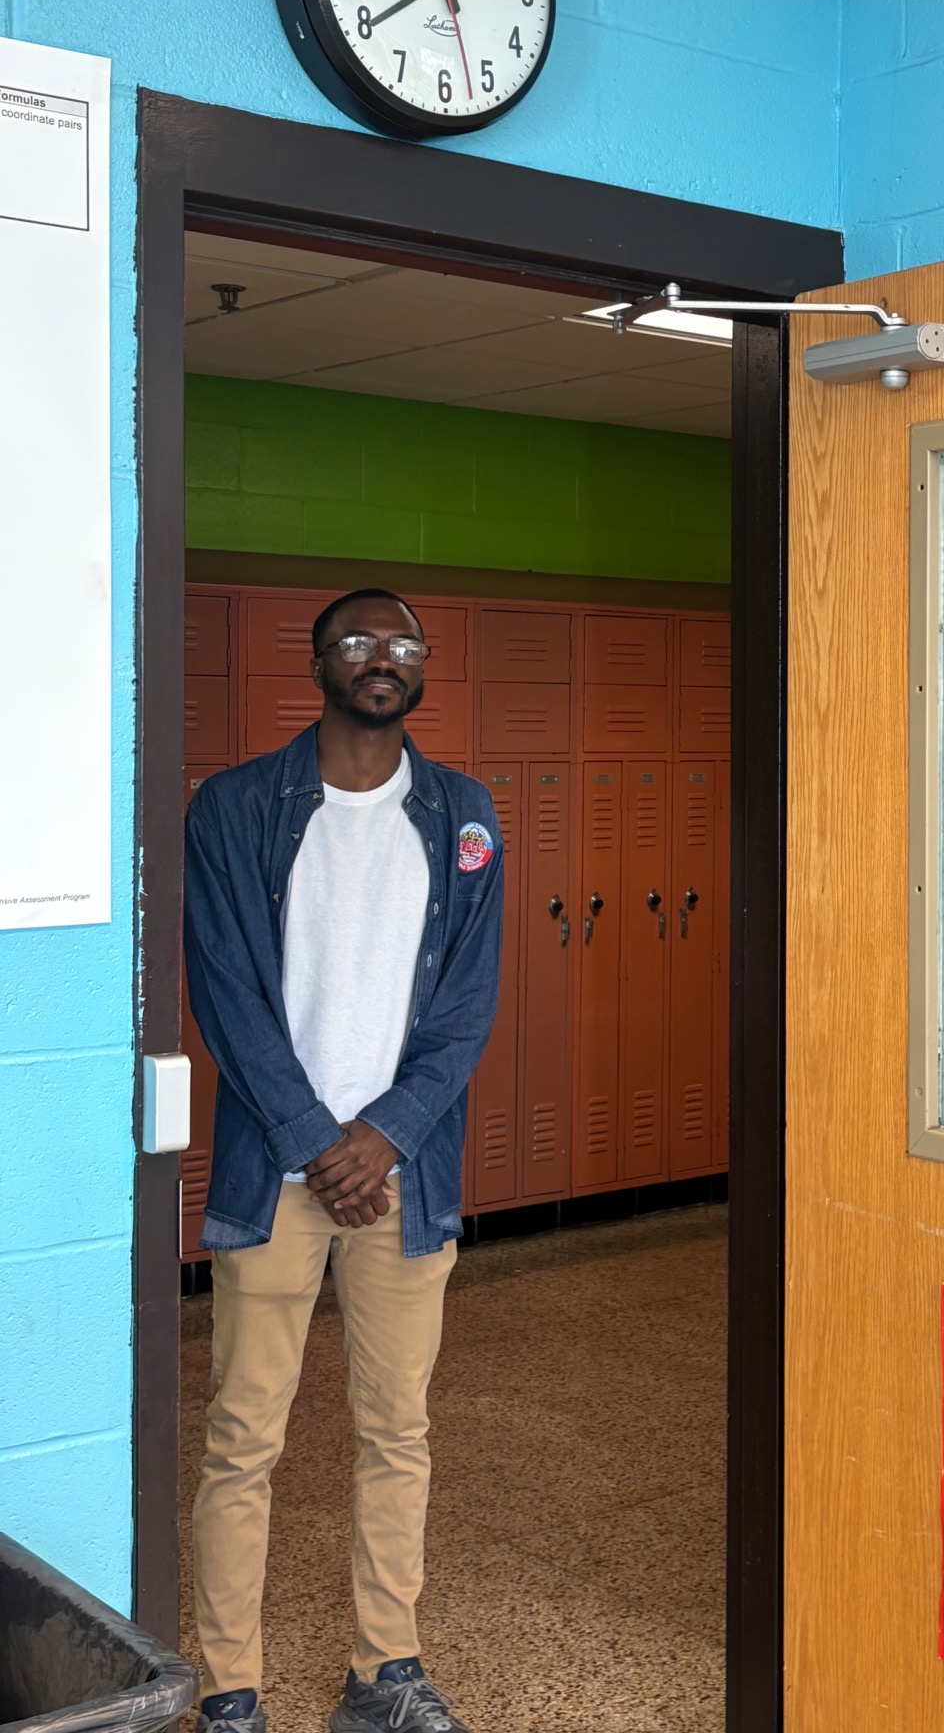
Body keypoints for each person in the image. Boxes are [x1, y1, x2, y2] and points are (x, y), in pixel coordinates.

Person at [183, 588, 504, 1733]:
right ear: (318, 660)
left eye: (403, 643)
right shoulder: (235, 807)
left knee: (397, 1432)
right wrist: (320, 1139)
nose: (383, 657)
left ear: (423, 666)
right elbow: (225, 991)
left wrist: (385, 1134)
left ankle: (386, 1672)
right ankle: (228, 1687)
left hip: (401, 1179)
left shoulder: (462, 814)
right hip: (277, 1174)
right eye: (360, 640)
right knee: (242, 1439)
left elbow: (467, 1006)